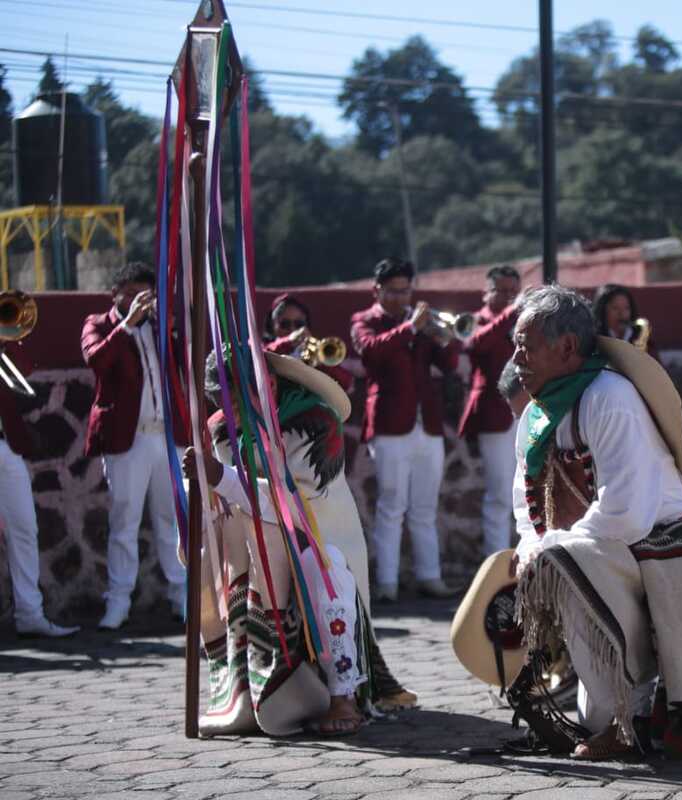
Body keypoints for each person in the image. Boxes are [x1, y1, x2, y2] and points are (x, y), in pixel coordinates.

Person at [510, 285, 682, 761]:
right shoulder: (540, 413)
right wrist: (530, 544)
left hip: (664, 543)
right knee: (552, 563)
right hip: (601, 546)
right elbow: (525, 499)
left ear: (566, 348)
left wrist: (552, 548)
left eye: (526, 345)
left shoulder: (608, 397)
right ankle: (616, 715)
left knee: (558, 560)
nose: (516, 357)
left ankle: (630, 720)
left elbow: (627, 512)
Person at [184, 351, 416, 737]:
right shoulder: (222, 426)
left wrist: (219, 477)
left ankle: (343, 695)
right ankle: (244, 689)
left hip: (319, 535)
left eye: (236, 401)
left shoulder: (314, 422)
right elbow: (221, 489)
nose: (229, 414)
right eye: (221, 403)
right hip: (252, 542)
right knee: (210, 562)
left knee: (325, 579)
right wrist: (199, 491)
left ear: (268, 385)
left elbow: (294, 501)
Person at [81, 262, 189, 629]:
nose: (137, 301)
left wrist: (171, 330)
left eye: (144, 293)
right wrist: (127, 326)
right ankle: (119, 602)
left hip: (166, 437)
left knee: (172, 521)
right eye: (129, 293)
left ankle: (182, 597)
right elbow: (97, 361)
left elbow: (187, 367)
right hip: (129, 439)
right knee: (124, 520)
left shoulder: (161, 328)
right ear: (115, 294)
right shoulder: (100, 324)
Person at [351, 258, 461, 601]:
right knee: (391, 505)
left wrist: (445, 338)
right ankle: (387, 583)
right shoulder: (363, 321)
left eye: (406, 290)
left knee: (426, 507)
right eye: (394, 291)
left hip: (426, 424)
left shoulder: (421, 324)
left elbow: (450, 365)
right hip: (388, 425)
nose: (401, 297)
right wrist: (411, 328)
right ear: (377, 290)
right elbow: (371, 353)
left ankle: (430, 577)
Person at [0, 340, 78, 638]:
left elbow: (25, 372)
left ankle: (29, 614)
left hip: (7, 447)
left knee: (24, 529)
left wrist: (6, 342)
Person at [458, 266, 521, 556]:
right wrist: (511, 313)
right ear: (487, 292)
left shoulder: (523, 321)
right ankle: (495, 562)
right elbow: (476, 344)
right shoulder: (474, 320)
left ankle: (525, 557)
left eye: (514, 291)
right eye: (502, 290)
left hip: (525, 413)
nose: (509, 297)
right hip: (494, 416)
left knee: (525, 490)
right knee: (499, 495)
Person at [263, 293, 354, 393]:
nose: (292, 329)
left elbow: (347, 385)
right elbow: (264, 356)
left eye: (299, 324)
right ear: (272, 326)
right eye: (285, 324)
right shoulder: (265, 347)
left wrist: (324, 363)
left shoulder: (311, 349)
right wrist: (288, 341)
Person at [591, 284, 658, 360]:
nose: (622, 313)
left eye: (627, 308)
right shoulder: (595, 339)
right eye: (615, 308)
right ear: (602, 311)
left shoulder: (641, 336)